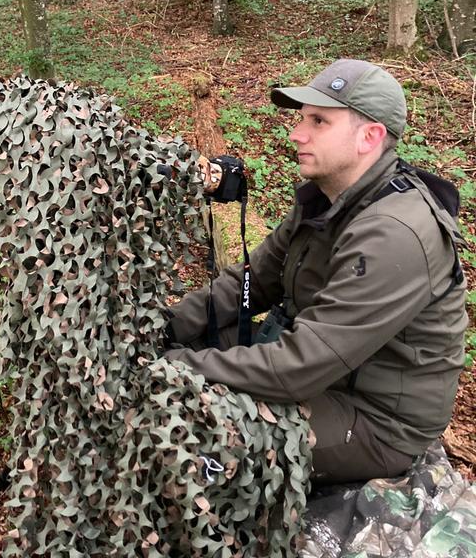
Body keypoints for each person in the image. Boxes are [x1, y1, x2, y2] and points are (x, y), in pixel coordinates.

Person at [164, 58, 468, 484]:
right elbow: (252, 281)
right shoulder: (326, 198)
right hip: (323, 369)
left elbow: (298, 368)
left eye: (319, 121)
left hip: (373, 418)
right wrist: (164, 327)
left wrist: (174, 366)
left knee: (185, 424)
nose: (296, 133)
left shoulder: (395, 233)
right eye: (302, 118)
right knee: (187, 342)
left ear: (370, 136)